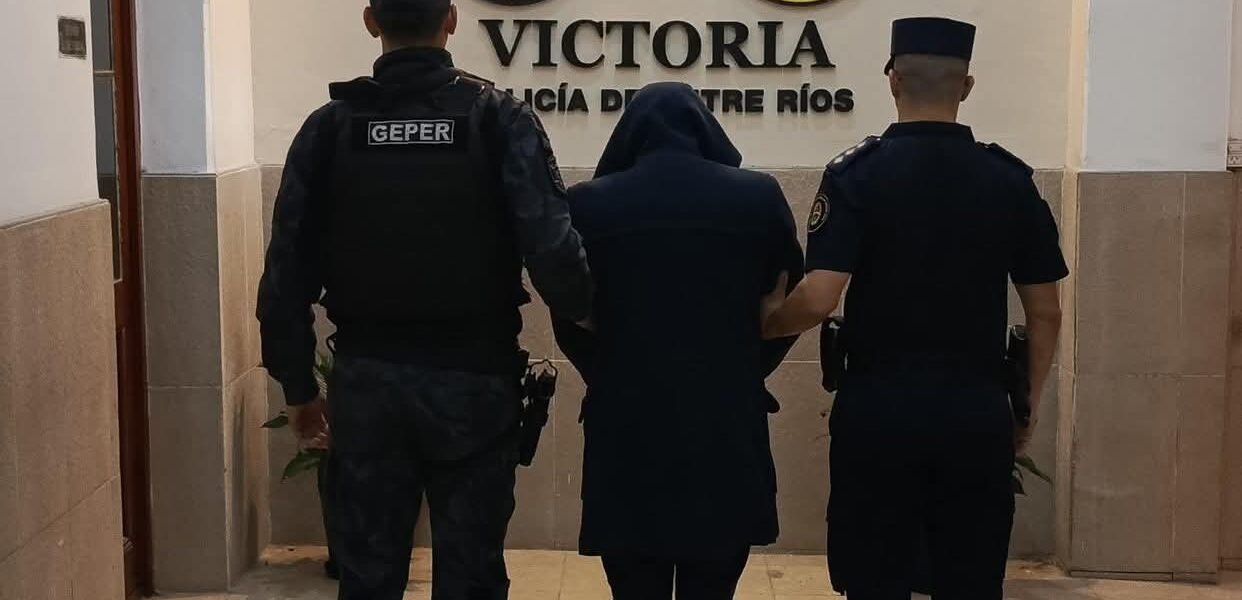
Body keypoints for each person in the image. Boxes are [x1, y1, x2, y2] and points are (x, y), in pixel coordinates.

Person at [256, 0, 594, 598]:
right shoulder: (499, 119)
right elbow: (553, 252)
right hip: (475, 386)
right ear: (452, 19)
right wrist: (597, 322)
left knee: (366, 576)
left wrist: (300, 391)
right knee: (472, 575)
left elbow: (284, 278)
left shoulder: (329, 129)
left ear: (371, 21)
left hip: (367, 388)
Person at [762, 17, 1068, 600]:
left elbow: (820, 297)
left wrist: (765, 325)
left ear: (893, 81)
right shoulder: (1009, 181)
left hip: (878, 411)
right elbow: (1045, 312)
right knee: (969, 576)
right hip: (975, 410)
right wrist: (1024, 409)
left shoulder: (856, 175)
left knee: (875, 578)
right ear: (967, 87)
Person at [551, 83, 805, 600]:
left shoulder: (588, 204)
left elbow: (571, 316)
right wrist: (744, 367)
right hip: (725, 428)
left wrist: (609, 370)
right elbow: (785, 306)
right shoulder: (758, 198)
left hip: (626, 430)